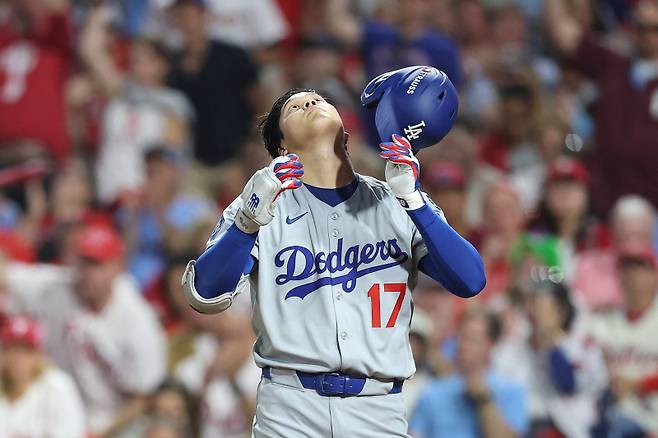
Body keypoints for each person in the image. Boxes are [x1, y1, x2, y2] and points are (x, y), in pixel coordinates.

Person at [182, 88, 486, 436]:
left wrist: (415, 202)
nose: (310, 103)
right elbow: (204, 295)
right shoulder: (261, 204)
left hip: (377, 406)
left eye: (319, 100)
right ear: (283, 149)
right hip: (290, 405)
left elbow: (471, 280)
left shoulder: (396, 200)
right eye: (295, 107)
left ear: (346, 133)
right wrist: (245, 225)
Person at [1, 223, 167, 434]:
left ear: (117, 266)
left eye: (96, 264)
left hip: (115, 425)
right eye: (83, 262)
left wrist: (101, 433)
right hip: (57, 415)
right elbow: (6, 276)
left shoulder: (137, 320)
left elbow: (146, 397)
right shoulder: (56, 287)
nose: (86, 272)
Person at [546, 0, 658, 213]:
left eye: (655, 29)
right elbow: (565, 36)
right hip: (606, 198)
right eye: (641, 28)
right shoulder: (614, 65)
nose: (648, 36)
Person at [80, 5, 193, 205]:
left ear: (163, 65)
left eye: (146, 60)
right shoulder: (120, 92)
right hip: (108, 195)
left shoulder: (173, 105)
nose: (137, 65)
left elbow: (175, 163)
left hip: (145, 203)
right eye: (134, 59)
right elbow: (90, 51)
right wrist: (98, 8)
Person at [324, 0, 462, 148]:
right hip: (370, 131)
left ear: (427, 7)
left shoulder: (441, 48)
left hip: (415, 140)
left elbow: (454, 100)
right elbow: (337, 26)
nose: (405, 5)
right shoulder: (379, 35)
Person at [167, 0, 260, 200]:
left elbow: (258, 99)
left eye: (190, 14)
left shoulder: (232, 56)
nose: (186, 21)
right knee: (196, 222)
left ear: (204, 16)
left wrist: (254, 142)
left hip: (234, 157)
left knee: (246, 216)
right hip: (194, 162)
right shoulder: (172, 67)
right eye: (180, 15)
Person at [493, 280, 607, 438]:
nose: (533, 313)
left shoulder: (583, 348)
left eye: (541, 306)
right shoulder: (511, 349)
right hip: (519, 428)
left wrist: (550, 343)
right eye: (531, 304)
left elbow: (567, 383)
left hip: (569, 429)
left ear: (561, 312)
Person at [409, 308, 528, 438]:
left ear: (491, 344)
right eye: (460, 337)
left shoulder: (511, 390)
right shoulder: (432, 391)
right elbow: (416, 433)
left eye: (472, 338)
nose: (463, 345)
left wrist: (484, 400)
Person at [589, 246, 658, 436]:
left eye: (641, 267)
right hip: (612, 416)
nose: (634, 275)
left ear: (654, 276)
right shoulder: (602, 320)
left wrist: (639, 384)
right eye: (627, 268)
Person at [0, 315, 86, 438]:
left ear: (37, 354)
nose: (17, 357)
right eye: (11, 349)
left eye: (25, 349)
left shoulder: (57, 387)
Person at [574, 194, 657, 310]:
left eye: (637, 234)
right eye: (625, 234)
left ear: (649, 234)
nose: (631, 245)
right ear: (612, 232)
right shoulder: (586, 265)